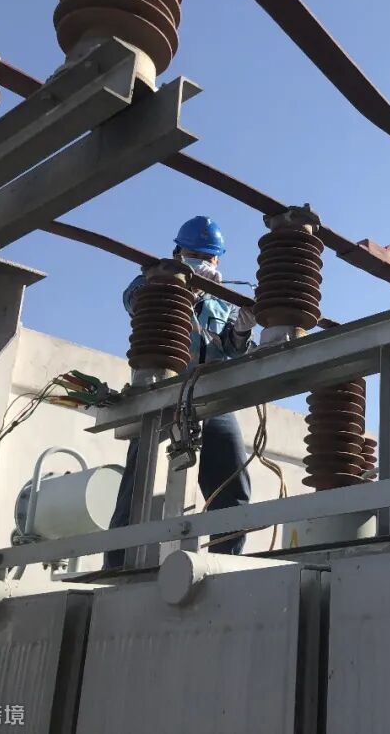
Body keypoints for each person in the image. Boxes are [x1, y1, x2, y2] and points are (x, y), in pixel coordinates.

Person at [105, 216, 258, 568]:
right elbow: (135, 303)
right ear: (179, 252)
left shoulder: (224, 301)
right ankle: (117, 566)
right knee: (139, 484)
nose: (205, 262)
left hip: (212, 395)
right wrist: (186, 290)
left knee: (232, 483)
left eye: (210, 256)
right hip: (162, 390)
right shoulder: (150, 280)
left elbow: (232, 350)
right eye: (197, 255)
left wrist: (241, 330)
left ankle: (225, 564)